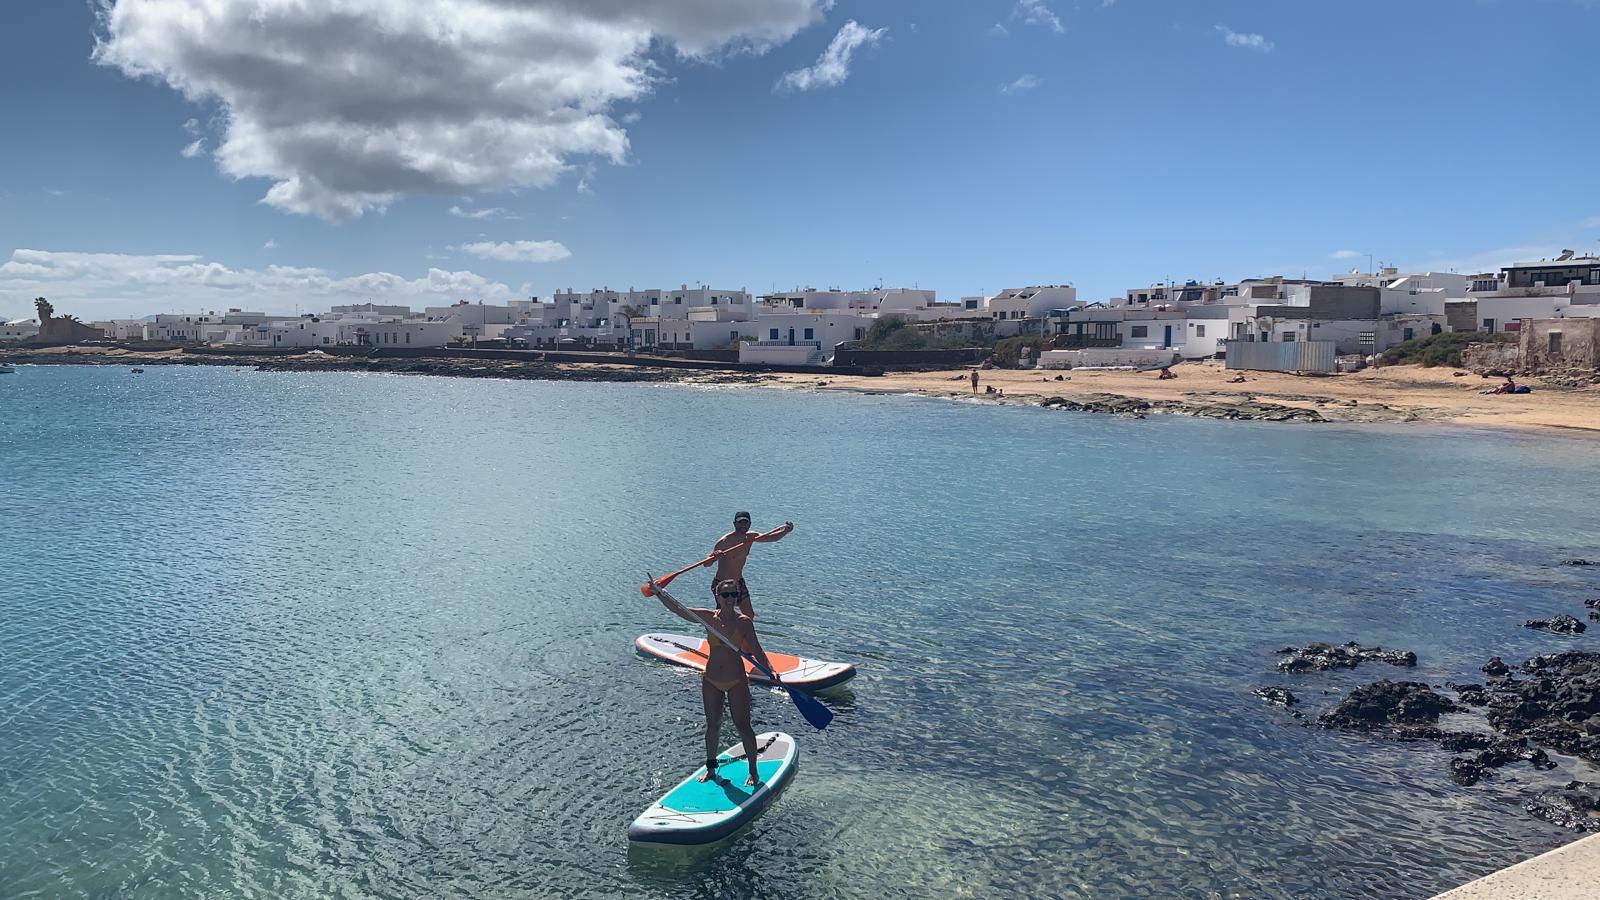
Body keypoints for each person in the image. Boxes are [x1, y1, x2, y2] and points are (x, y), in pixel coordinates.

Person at [656, 578, 780, 787]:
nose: (730, 599)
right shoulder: (708, 618)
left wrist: (771, 670)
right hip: (711, 679)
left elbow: (757, 650)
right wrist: (659, 592)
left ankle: (753, 771)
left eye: (734, 595)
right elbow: (679, 610)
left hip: (737, 680)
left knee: (743, 726)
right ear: (718, 597)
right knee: (712, 725)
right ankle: (711, 769)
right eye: (726, 595)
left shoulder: (743, 622)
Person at [706, 512, 792, 619]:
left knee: (749, 615)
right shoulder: (725, 541)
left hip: (739, 582)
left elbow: (772, 538)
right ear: (734, 524)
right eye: (740, 523)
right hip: (723, 584)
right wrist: (715, 556)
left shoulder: (751, 537)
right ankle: (718, 634)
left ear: (750, 524)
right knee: (724, 615)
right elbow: (706, 563)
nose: (743, 525)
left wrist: (786, 531)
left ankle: (745, 634)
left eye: (745, 523)